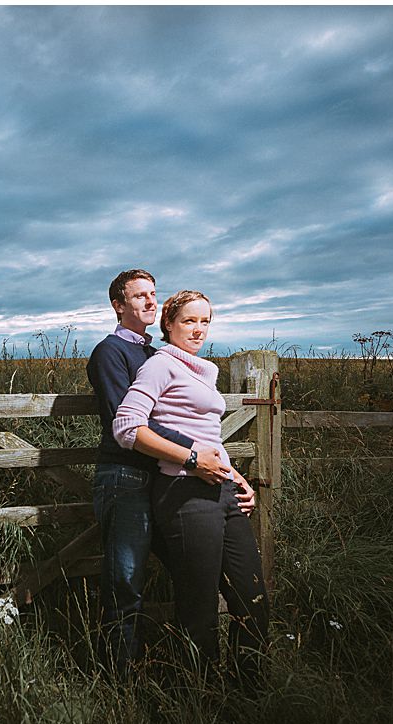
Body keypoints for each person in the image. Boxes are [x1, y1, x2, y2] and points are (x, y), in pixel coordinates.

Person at [87, 269, 246, 675]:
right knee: (125, 579)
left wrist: (220, 464)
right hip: (125, 476)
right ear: (118, 306)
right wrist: (195, 452)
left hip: (162, 474)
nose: (149, 301)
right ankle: (119, 677)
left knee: (189, 571)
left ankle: (173, 662)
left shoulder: (153, 353)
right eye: (138, 296)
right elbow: (123, 419)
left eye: (153, 294)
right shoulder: (110, 352)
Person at [113, 289, 269, 684]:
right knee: (199, 608)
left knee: (251, 598)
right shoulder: (160, 365)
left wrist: (236, 477)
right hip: (184, 494)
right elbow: (127, 427)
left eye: (205, 321)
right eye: (189, 321)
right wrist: (193, 460)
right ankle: (199, 698)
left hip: (220, 491)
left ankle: (249, 690)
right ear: (168, 324)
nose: (198, 329)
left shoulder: (205, 370)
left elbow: (207, 435)